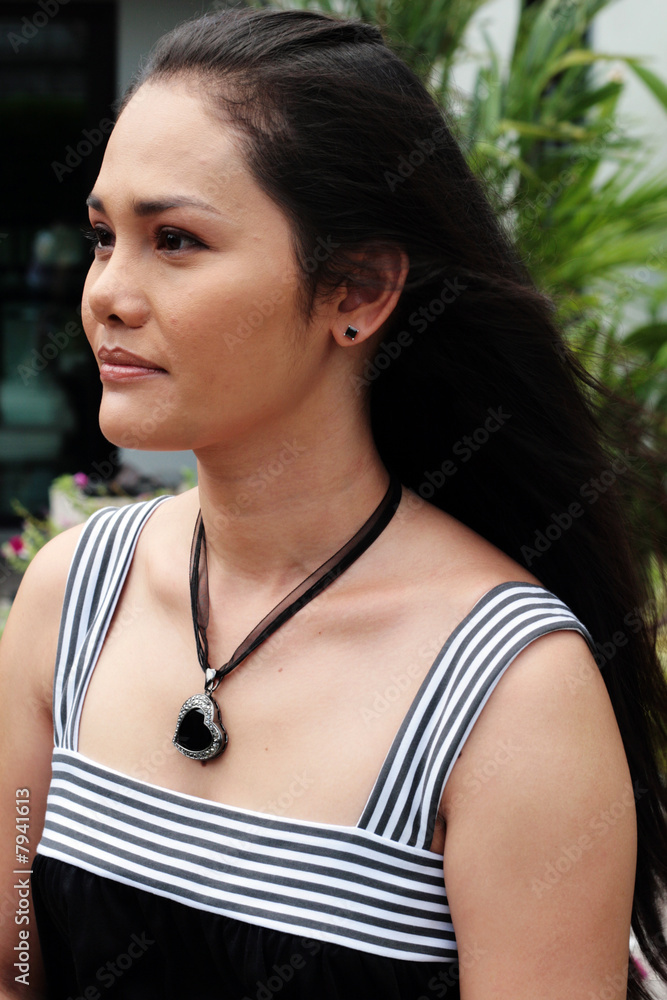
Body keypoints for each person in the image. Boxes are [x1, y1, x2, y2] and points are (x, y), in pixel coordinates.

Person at [1, 7, 666, 999]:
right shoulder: (74, 597)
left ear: (356, 290)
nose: (106, 293)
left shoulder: (504, 689)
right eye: (104, 237)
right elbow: (15, 968)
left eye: (174, 239)